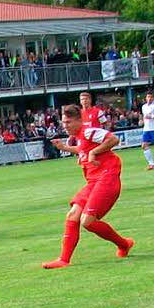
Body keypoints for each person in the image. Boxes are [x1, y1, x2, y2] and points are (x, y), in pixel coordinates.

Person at [42, 104, 133, 269]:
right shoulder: (80, 136)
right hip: (93, 182)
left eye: (68, 122)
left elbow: (113, 139)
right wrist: (65, 148)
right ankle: (63, 259)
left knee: (87, 221)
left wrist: (93, 153)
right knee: (73, 214)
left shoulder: (89, 131)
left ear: (78, 121)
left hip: (107, 178)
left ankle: (124, 244)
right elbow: (83, 148)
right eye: (63, 122)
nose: (65, 125)